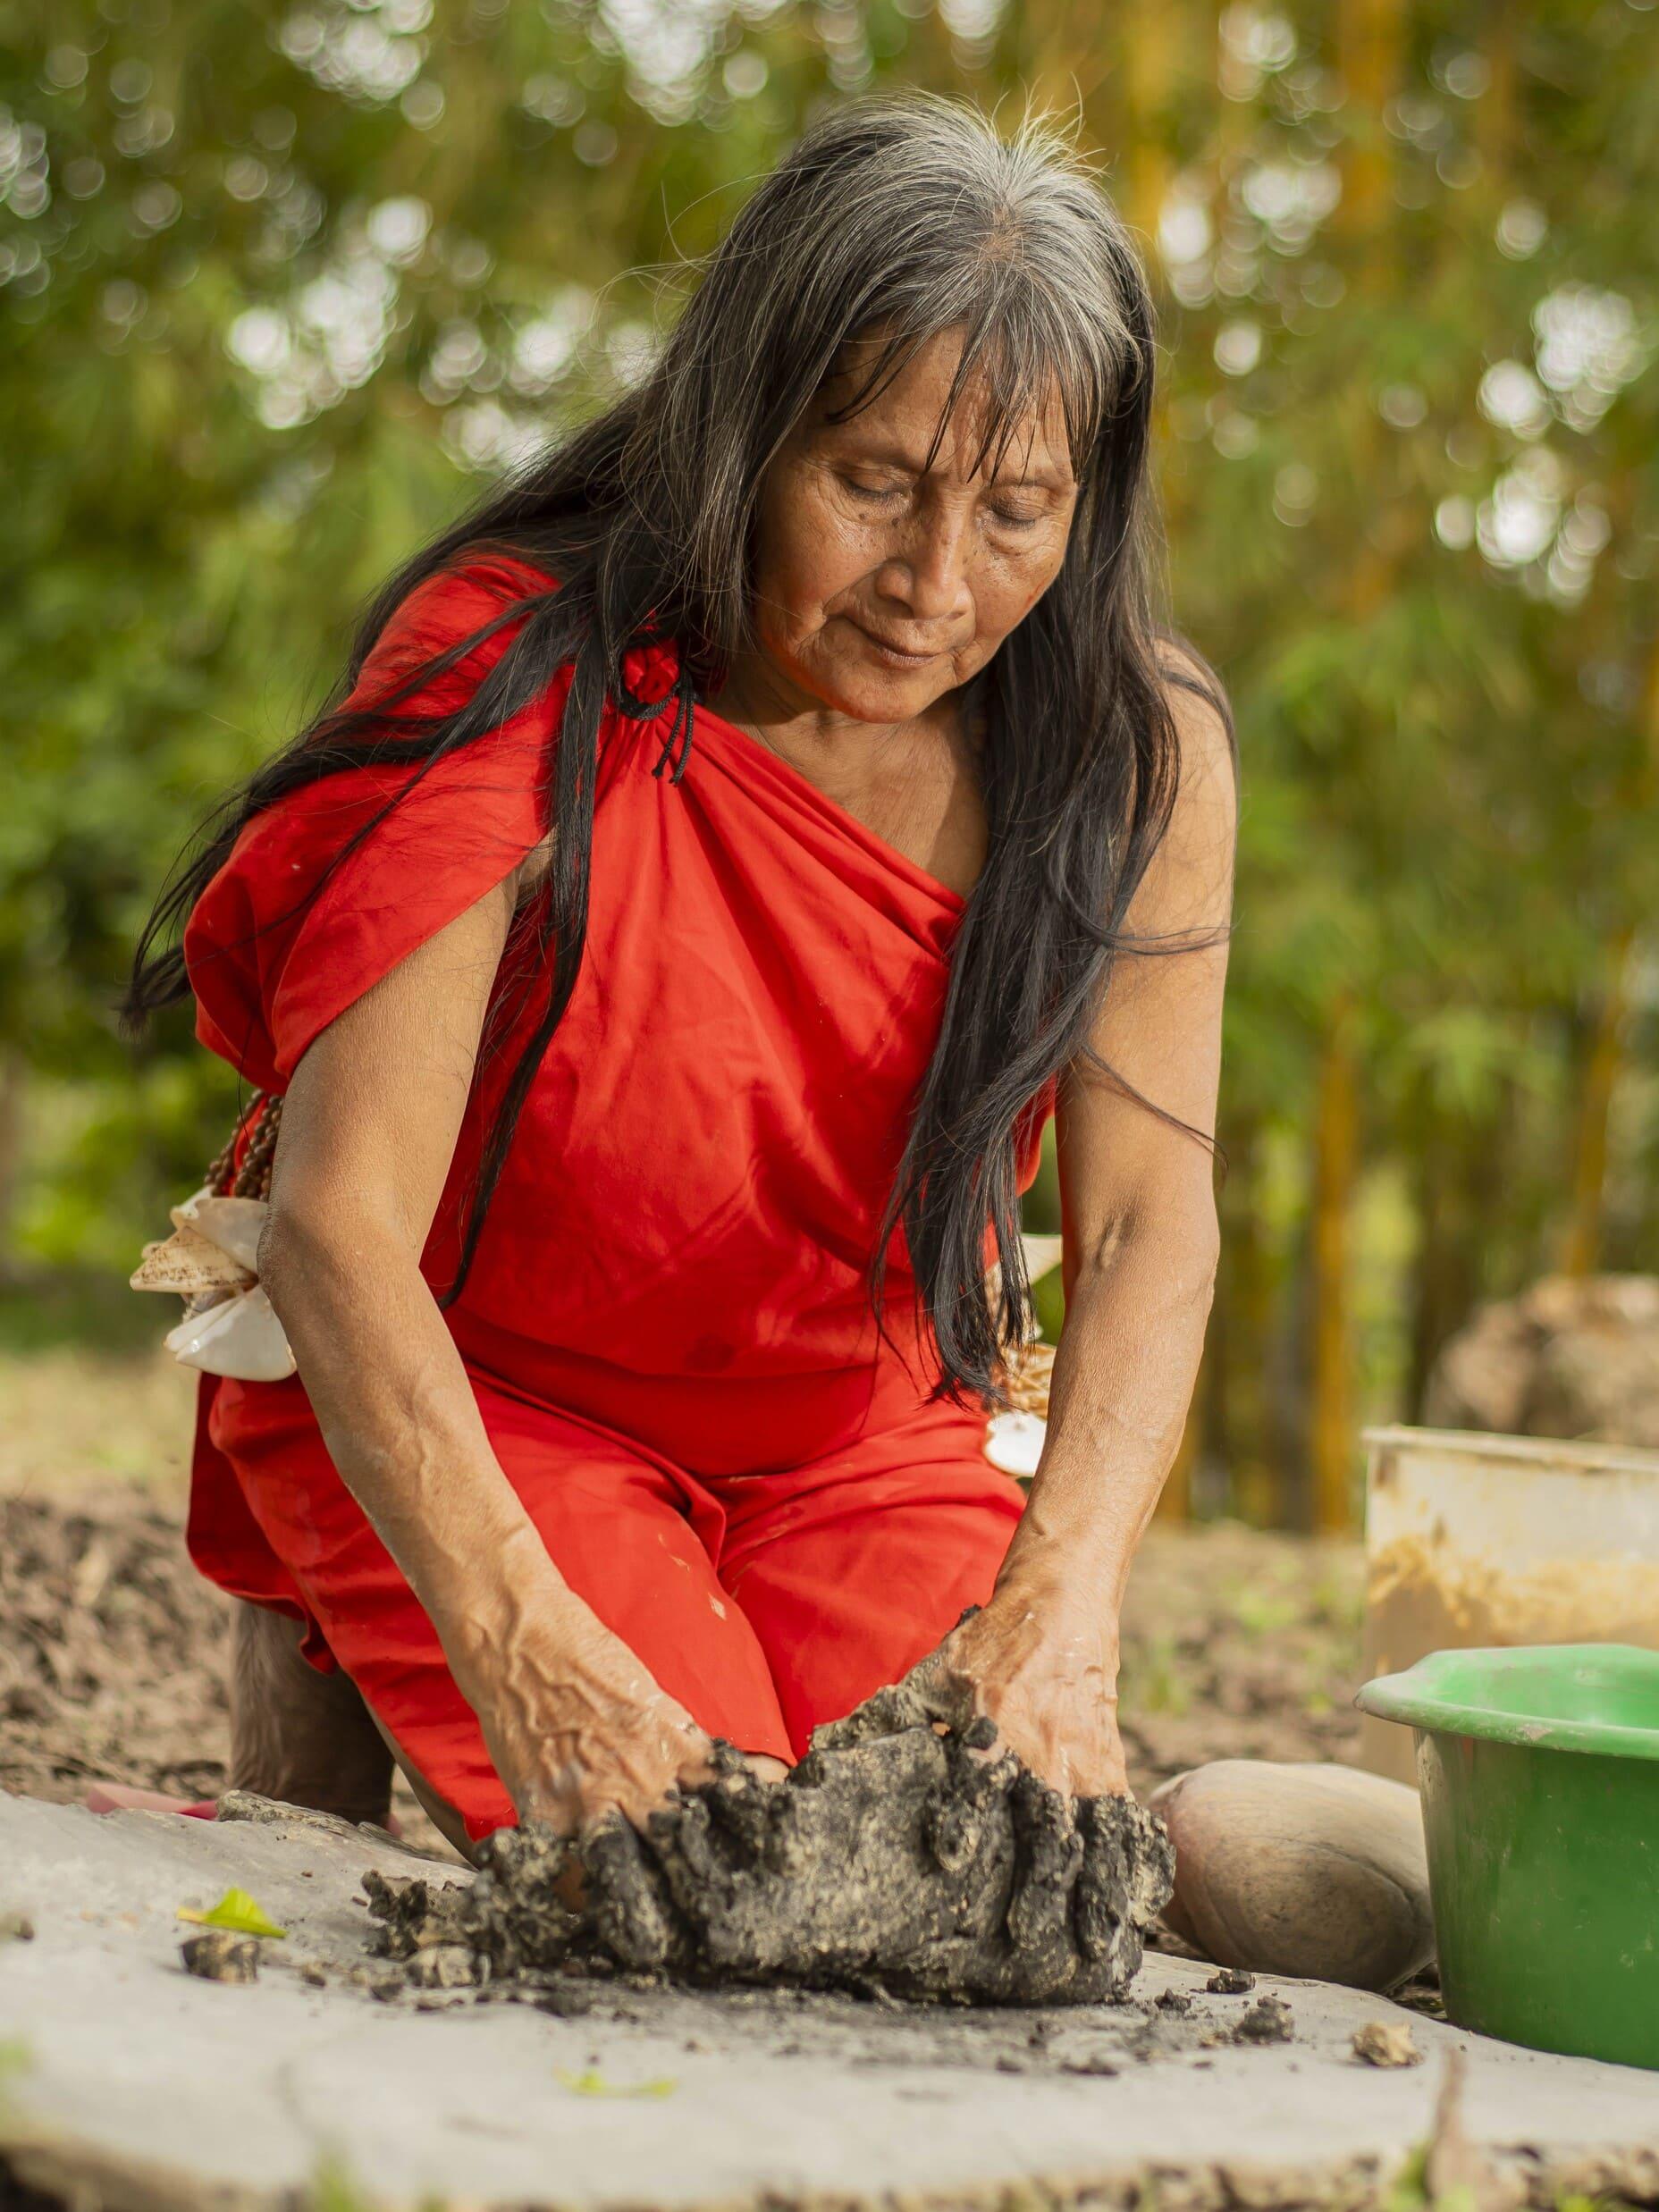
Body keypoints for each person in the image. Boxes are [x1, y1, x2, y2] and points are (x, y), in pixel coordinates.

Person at [127, 94, 1237, 1863]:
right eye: (871, 483)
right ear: (741, 427)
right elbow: (338, 1216)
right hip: (485, 1388)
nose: (936, 585)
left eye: (1018, 510)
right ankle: (353, 1602)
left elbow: (1139, 1228)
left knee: (955, 1849)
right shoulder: (517, 661)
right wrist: (518, 1634)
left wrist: (1064, 1602)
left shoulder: (1129, 748)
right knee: (702, 1849)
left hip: (859, 1430)